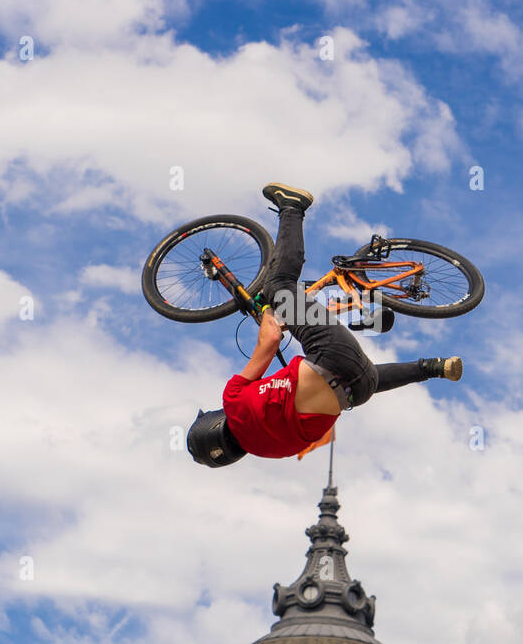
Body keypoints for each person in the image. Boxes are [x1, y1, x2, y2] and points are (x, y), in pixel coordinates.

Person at [187, 185, 464, 466]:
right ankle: (293, 207)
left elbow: (294, 401)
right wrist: (268, 308)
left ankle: (432, 367)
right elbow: (270, 339)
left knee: (354, 380)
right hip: (331, 354)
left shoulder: (275, 451)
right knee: (279, 288)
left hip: (358, 388)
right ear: (211, 425)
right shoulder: (233, 401)